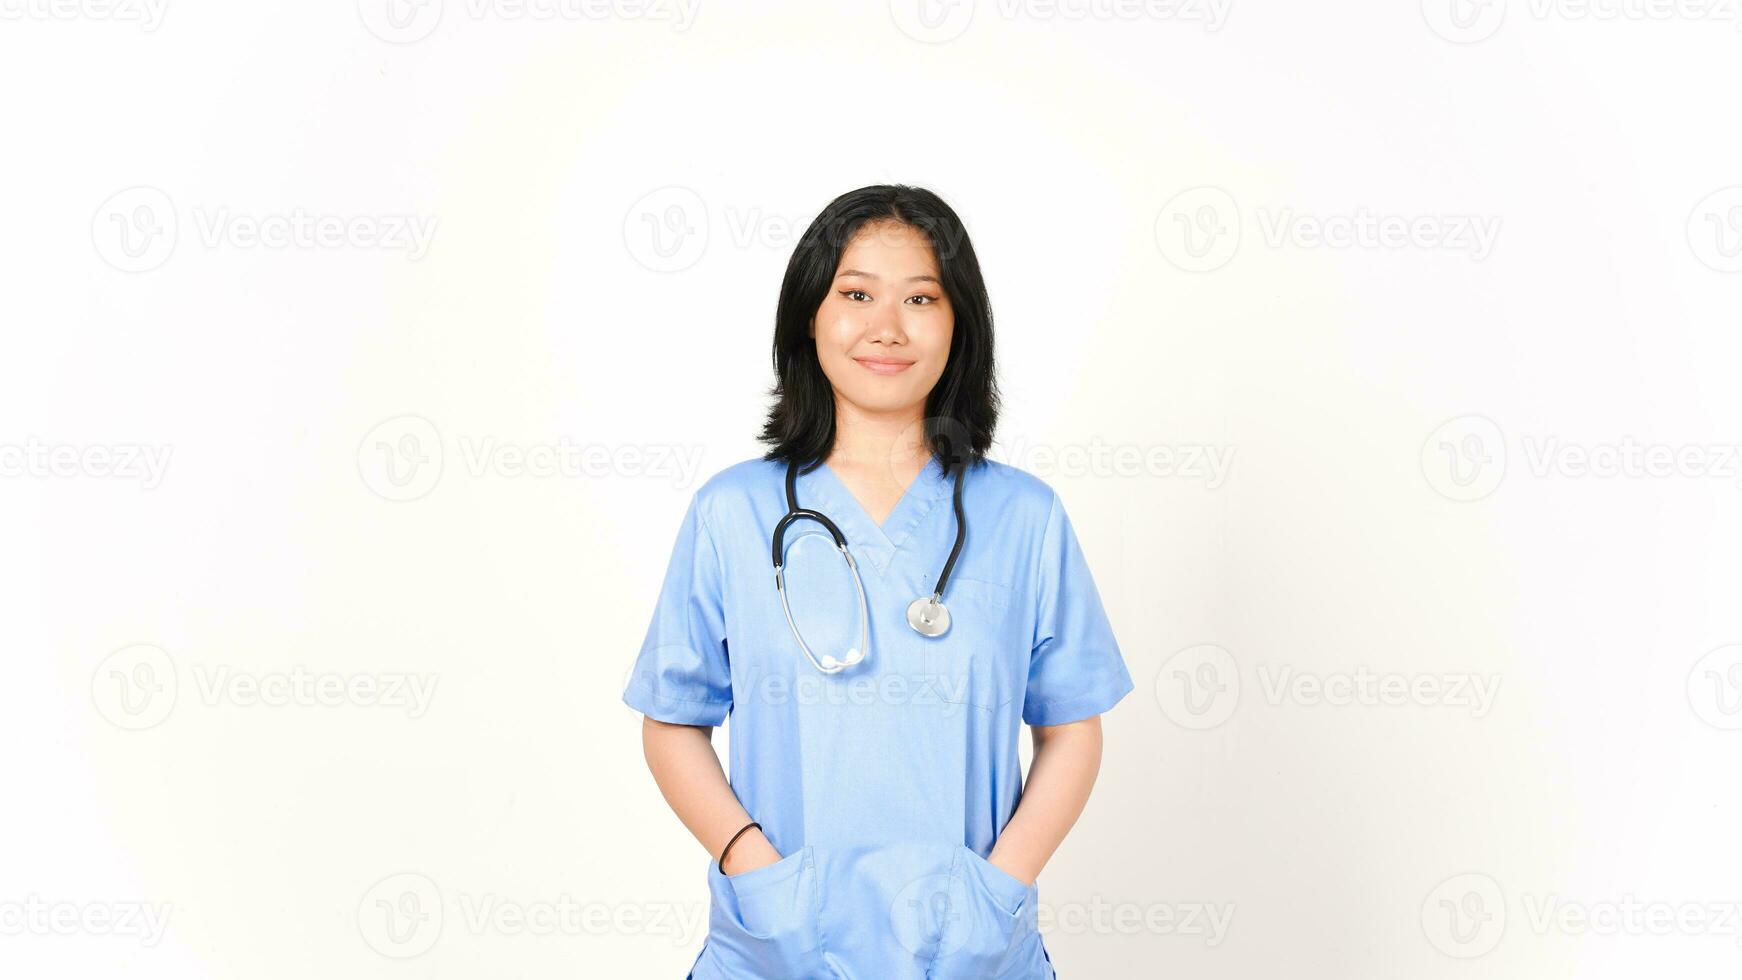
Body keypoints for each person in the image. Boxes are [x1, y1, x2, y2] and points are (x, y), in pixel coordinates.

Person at [622, 184, 1134, 978]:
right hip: (777, 947)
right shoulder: (733, 512)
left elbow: (1072, 727)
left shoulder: (1023, 518)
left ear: (959, 323)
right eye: (855, 293)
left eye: (921, 298)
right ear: (810, 319)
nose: (886, 328)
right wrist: (751, 864)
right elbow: (671, 719)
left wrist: (999, 887)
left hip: (970, 950)